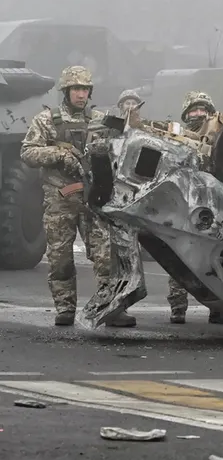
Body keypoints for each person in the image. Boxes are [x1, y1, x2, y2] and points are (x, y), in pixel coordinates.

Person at [20, 66, 136, 327]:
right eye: (76, 89)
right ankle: (65, 308)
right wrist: (59, 155)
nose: (81, 94)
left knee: (106, 258)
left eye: (85, 89)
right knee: (60, 259)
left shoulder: (100, 120)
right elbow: (28, 153)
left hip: (93, 198)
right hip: (60, 199)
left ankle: (111, 308)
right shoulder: (47, 120)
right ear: (66, 91)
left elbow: (125, 144)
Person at [166, 91, 223, 325]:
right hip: (184, 203)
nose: (198, 114)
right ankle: (178, 308)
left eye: (203, 109)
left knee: (217, 258)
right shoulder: (174, 136)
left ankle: (219, 309)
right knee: (178, 254)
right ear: (186, 114)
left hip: (214, 204)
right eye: (193, 110)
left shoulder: (222, 137)